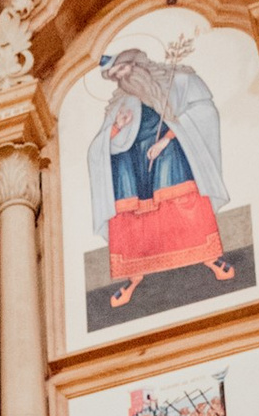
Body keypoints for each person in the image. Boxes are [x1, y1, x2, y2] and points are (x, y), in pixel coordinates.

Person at [86, 40, 233, 309]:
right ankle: (133, 275)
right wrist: (116, 128)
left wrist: (167, 139)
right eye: (115, 76)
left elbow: (202, 112)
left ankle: (209, 257)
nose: (121, 78)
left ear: (135, 63)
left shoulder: (176, 81)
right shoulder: (119, 103)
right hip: (132, 165)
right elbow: (99, 147)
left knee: (179, 197)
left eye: (122, 70)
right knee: (131, 213)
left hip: (170, 149)